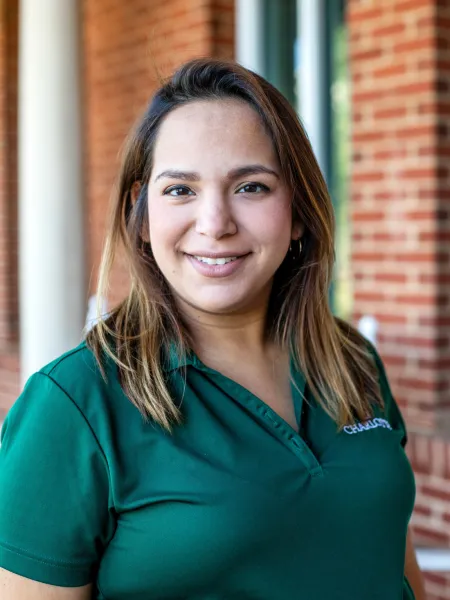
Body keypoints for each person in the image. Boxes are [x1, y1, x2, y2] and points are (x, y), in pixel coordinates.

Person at [0, 58, 425, 600]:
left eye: (251, 187)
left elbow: (390, 555)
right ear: (141, 212)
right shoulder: (73, 406)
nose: (215, 223)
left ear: (297, 211)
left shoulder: (351, 360)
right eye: (180, 190)